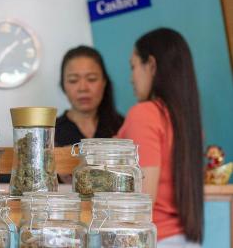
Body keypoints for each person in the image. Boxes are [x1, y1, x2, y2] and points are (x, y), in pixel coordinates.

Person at [118, 28, 203, 247]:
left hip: (154, 240)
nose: (131, 78)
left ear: (152, 65)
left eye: (133, 66)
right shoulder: (187, 123)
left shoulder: (144, 114)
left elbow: (143, 201)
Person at [55, 45, 124, 147]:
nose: (83, 88)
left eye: (92, 79)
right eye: (73, 80)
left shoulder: (122, 126)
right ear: (63, 85)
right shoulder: (52, 133)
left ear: (104, 82)